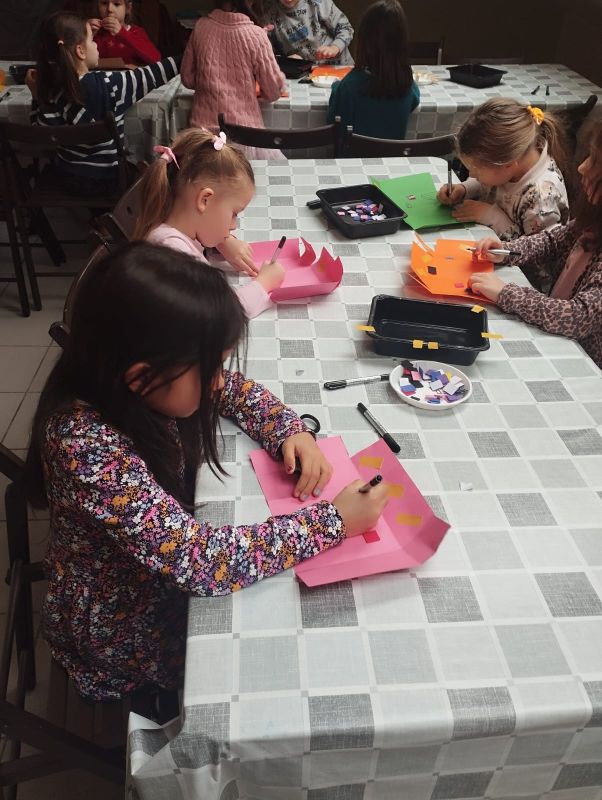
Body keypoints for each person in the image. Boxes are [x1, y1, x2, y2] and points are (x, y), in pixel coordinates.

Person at [23, 242, 389, 700]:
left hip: (154, 570)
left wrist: (288, 430)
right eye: (211, 367)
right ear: (142, 377)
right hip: (121, 624)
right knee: (284, 656)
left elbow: (229, 389)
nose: (219, 379)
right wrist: (335, 521)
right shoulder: (86, 448)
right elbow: (201, 561)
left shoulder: (125, 376)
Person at [469, 122, 602, 369]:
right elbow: (554, 239)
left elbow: (577, 317)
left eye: (594, 161)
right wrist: (506, 252)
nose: (582, 167)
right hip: (555, 335)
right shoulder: (594, 216)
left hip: (582, 363)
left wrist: (507, 293)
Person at [134, 128, 284, 318]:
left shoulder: (170, 229)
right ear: (204, 200)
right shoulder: (174, 256)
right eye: (234, 214)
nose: (233, 226)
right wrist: (263, 284)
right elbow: (222, 315)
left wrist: (223, 242)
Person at [30, 11, 178, 196]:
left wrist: (36, 96)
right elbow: (152, 74)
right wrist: (185, 57)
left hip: (67, 180)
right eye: (92, 40)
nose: (95, 45)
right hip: (110, 182)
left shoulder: (50, 91)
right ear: (80, 51)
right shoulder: (109, 84)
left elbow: (39, 132)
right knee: (144, 170)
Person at [437, 98, 570, 240]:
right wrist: (464, 189)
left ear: (508, 163)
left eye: (477, 170)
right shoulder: (516, 160)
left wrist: (491, 216)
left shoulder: (542, 203)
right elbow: (492, 177)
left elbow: (533, 250)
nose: (472, 174)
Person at [180, 0, 286, 160]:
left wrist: (210, 80)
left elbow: (187, 78)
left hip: (202, 137)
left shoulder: (200, 26)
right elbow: (273, 92)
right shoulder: (256, 35)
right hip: (244, 139)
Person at [326, 0, 419, 139]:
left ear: (364, 42)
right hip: (393, 154)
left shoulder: (349, 86)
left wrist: (336, 88)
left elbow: (332, 121)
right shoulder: (407, 84)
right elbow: (414, 100)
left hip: (353, 154)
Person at [264, 0, 354, 65]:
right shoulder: (269, 11)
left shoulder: (318, 3)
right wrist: (286, 61)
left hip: (338, 67)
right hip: (302, 72)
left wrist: (335, 47)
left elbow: (346, 28)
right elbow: (268, 49)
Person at [89, 0, 161, 67]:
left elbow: (156, 59)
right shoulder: (95, 32)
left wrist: (122, 33)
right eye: (104, 3)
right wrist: (88, 34)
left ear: (128, 8)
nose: (109, 9)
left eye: (116, 4)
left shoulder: (136, 32)